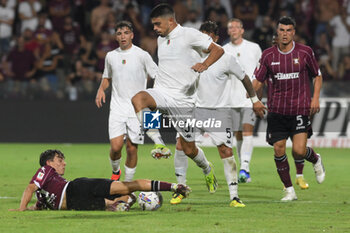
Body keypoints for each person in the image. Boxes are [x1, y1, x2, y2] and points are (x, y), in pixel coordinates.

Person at [131, 3, 225, 196]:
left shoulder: (190, 34)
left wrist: (204, 64)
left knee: (189, 149)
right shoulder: (161, 40)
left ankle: (207, 168)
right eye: (153, 25)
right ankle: (159, 143)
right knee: (139, 99)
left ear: (170, 21)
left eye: (158, 24)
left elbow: (218, 50)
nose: (155, 29)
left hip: (184, 101)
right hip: (163, 93)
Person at [172, 21, 266, 207]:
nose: (204, 40)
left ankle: (234, 196)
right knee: (183, 147)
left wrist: (255, 100)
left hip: (218, 112)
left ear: (215, 38)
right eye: (202, 36)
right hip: (192, 110)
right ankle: (184, 186)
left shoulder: (226, 58)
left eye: (208, 37)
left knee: (225, 150)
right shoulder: (189, 56)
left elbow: (245, 78)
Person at [252, 16, 326, 201]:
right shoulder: (268, 55)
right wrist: (254, 99)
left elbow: (317, 76)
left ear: (294, 32)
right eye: (282, 30)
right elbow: (258, 81)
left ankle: (315, 159)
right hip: (276, 110)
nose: (285, 34)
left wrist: (315, 98)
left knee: (299, 151)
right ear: (277, 32)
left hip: (299, 109)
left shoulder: (305, 52)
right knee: (278, 149)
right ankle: (289, 190)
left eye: (289, 30)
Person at [95, 21, 167, 182]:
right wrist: (101, 89)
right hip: (117, 108)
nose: (123, 36)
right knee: (115, 147)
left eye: (126, 33)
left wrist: (157, 96)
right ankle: (116, 170)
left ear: (132, 35)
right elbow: (107, 77)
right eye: (119, 34)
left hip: (137, 110)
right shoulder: (111, 56)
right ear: (116, 36)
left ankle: (126, 185)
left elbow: (156, 76)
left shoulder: (142, 55)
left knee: (132, 149)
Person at [10, 149, 191, 211]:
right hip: (77, 199)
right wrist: (24, 208)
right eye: (60, 160)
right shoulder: (45, 170)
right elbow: (30, 188)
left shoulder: (49, 180)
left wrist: (23, 208)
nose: (64, 163)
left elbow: (31, 192)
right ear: (49, 163)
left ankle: (174, 186)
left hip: (76, 191)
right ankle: (130, 201)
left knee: (125, 187)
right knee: (119, 199)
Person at [223, 18, 262, 183]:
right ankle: (243, 169)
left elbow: (261, 71)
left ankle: (245, 167)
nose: (233, 30)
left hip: (249, 99)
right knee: (238, 135)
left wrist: (256, 93)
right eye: (230, 27)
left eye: (236, 27)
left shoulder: (253, 48)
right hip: (231, 99)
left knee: (247, 131)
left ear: (242, 30)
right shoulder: (223, 50)